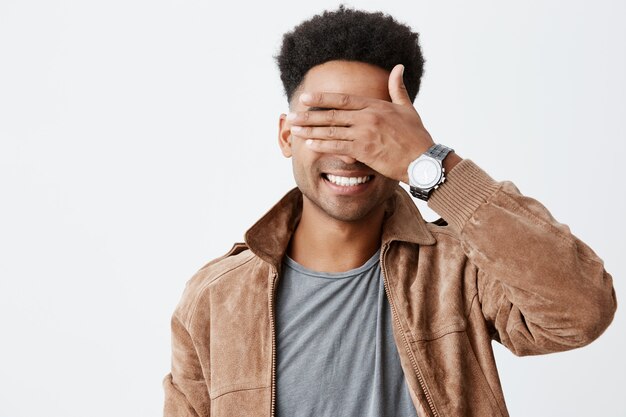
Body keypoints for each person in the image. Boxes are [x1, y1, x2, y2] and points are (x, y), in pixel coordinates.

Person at [163, 6, 617, 417]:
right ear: (287, 136)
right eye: (327, 121)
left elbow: (581, 312)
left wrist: (434, 167)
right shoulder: (215, 298)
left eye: (372, 126)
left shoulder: (461, 269)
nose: (352, 151)